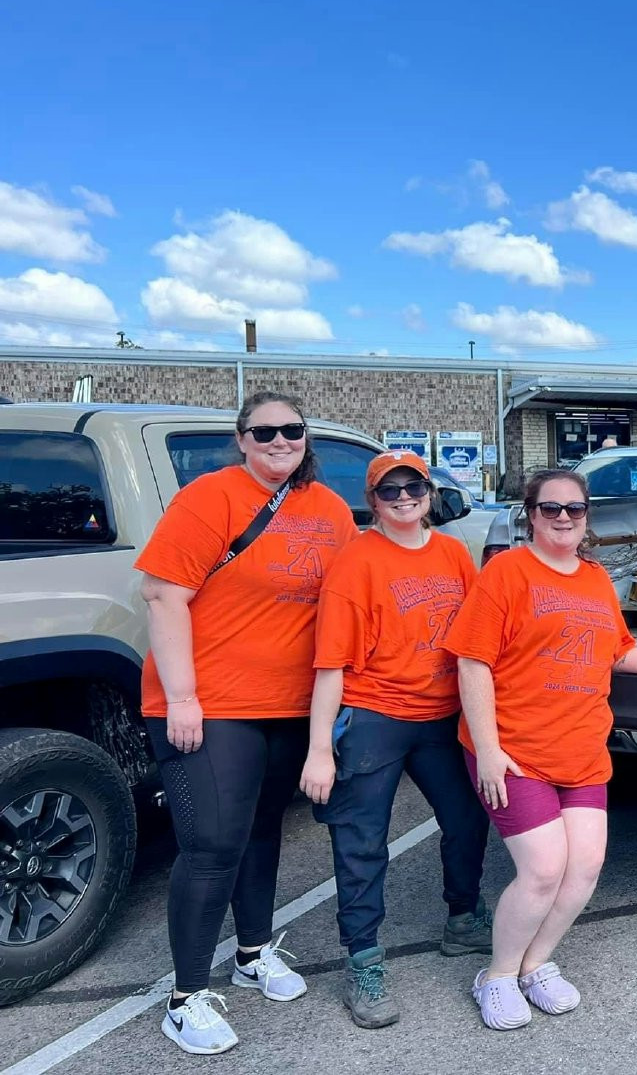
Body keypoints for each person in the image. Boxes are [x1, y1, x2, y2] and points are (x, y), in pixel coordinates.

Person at [444, 468, 637, 1030]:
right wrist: (489, 750)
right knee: (543, 870)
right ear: (531, 515)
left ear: (587, 515)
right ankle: (496, 976)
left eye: (574, 508)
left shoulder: (595, 579)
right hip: (515, 750)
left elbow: (617, 651)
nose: (563, 517)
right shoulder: (506, 573)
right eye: (550, 508)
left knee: (585, 868)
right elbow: (472, 661)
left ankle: (535, 965)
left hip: (581, 750)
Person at [138, 391, 357, 1054]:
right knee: (212, 844)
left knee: (262, 830)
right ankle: (185, 997)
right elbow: (162, 592)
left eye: (292, 430)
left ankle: (253, 950)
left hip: (287, 704)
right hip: (210, 703)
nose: (279, 441)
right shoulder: (211, 496)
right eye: (265, 431)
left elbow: (348, 600)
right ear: (242, 438)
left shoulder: (328, 508)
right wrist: (181, 695)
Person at [299, 449, 494, 1030]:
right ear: (373, 500)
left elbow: (480, 638)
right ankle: (363, 959)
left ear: (431, 493)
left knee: (469, 817)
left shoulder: (455, 554)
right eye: (390, 491)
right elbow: (330, 663)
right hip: (374, 714)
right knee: (362, 843)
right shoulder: (355, 562)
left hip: (441, 715)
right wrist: (317, 751)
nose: (404, 497)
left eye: (415, 487)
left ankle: (463, 919)